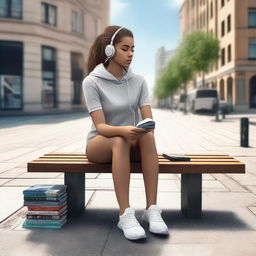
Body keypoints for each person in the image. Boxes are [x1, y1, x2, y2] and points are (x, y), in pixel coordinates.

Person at [82, 25, 169, 241]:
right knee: (119, 140)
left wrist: (144, 127)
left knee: (147, 136)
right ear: (109, 50)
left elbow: (148, 120)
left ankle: (152, 210)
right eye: (125, 48)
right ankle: (125, 214)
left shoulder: (139, 81)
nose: (130, 54)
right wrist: (125, 131)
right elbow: (101, 127)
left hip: (131, 142)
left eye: (133, 49)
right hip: (100, 144)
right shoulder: (91, 82)